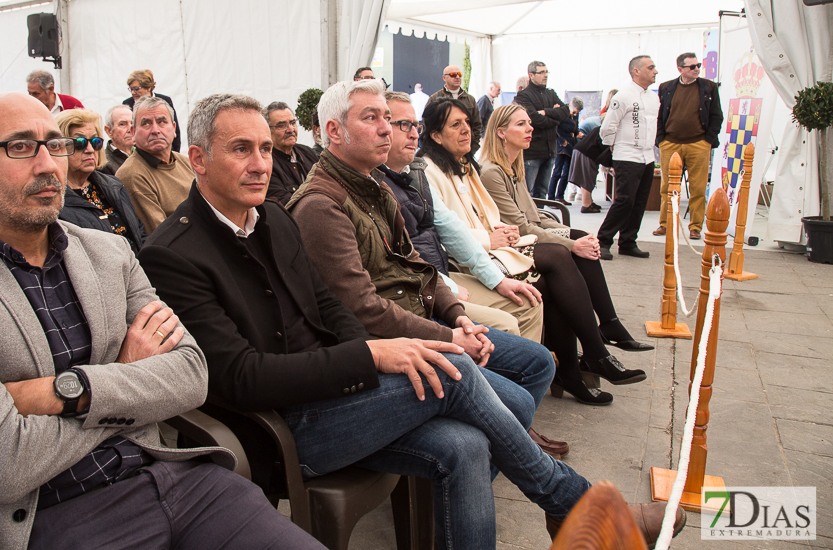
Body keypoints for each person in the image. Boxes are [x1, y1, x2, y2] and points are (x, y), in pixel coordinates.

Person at [138, 91, 684, 550]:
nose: (260, 163)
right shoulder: (175, 252)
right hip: (277, 428)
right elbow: (238, 378)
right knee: (459, 370)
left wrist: (375, 363)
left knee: (466, 444)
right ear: (199, 159)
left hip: (335, 390)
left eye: (263, 148)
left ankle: (571, 508)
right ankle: (576, 505)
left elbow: (332, 307)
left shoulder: (272, 218)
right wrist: (376, 355)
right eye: (240, 149)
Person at [0, 91, 319, 550]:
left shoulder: (107, 252)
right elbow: (2, 465)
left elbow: (192, 376)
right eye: (19, 147)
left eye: (55, 145)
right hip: (56, 514)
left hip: (174, 480)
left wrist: (67, 391)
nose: (47, 165)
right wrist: (127, 376)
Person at [287, 80, 557, 456]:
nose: (389, 128)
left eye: (390, 118)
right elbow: (361, 308)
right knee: (506, 412)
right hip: (392, 340)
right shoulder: (321, 205)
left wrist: (457, 316)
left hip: (425, 314)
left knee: (539, 361)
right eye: (373, 118)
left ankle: (504, 444)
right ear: (334, 131)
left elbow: (417, 263)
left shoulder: (376, 184)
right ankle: (528, 463)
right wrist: (448, 336)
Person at [421, 99, 652, 406]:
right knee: (559, 260)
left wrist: (506, 231)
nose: (466, 130)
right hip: (474, 257)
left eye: (467, 123)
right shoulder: (439, 169)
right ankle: (593, 351)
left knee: (561, 266)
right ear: (435, 135)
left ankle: (576, 364)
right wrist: (497, 236)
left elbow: (516, 217)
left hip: (495, 247)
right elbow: (448, 231)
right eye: (455, 125)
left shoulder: (467, 165)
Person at [381, 91, 544, 345]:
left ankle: (546, 371)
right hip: (424, 283)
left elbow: (451, 226)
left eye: (416, 125)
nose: (414, 133)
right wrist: (447, 287)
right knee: (512, 319)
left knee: (530, 300)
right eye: (404, 125)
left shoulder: (416, 170)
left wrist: (498, 280)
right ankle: (522, 376)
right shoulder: (396, 176)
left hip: (443, 271)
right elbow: (400, 257)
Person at [652, 52, 723, 240]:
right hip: (670, 143)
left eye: (698, 65)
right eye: (692, 66)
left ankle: (696, 227)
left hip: (698, 143)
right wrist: (661, 139)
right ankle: (665, 224)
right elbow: (661, 114)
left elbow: (717, 115)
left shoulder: (709, 87)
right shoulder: (666, 87)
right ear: (680, 69)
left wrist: (708, 140)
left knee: (698, 187)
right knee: (667, 187)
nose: (697, 69)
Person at [56, 108, 146, 253]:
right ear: (58, 147)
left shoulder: (113, 185)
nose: (90, 149)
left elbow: (139, 232)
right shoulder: (55, 199)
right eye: (80, 143)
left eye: (96, 142)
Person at [598, 55, 660, 260]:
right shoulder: (622, 96)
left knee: (640, 201)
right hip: (627, 156)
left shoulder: (653, 97)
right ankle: (603, 241)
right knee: (625, 200)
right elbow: (608, 127)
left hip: (647, 156)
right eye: (650, 68)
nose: (655, 71)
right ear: (636, 71)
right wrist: (613, 151)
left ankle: (627, 241)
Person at [115, 96, 195, 231]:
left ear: (174, 128)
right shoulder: (132, 175)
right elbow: (162, 234)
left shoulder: (186, 162)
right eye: (146, 123)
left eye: (162, 121)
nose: (155, 130)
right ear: (133, 132)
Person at [514, 60, 570, 200]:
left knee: (541, 193)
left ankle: (539, 221)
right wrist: (554, 115)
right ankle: (526, 221)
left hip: (550, 150)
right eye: (541, 72)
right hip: (532, 152)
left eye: (546, 72)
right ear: (531, 75)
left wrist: (545, 112)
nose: (545, 75)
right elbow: (533, 119)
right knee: (526, 193)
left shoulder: (551, 93)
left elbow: (565, 113)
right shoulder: (524, 95)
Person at [263, 101, 319, 205]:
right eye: (281, 125)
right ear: (268, 130)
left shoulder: (308, 153)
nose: (290, 129)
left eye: (293, 123)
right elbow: (287, 205)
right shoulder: (266, 163)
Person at [123, 69, 181, 152]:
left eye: (136, 89)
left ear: (149, 87)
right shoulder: (127, 103)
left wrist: (175, 153)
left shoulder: (165, 100)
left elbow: (175, 130)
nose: (133, 92)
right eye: (131, 89)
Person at [547, 96, 583, 205]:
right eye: (575, 111)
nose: (576, 114)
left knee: (566, 172)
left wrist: (578, 133)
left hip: (571, 145)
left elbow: (574, 127)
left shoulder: (574, 116)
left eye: (578, 112)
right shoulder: (562, 112)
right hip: (561, 145)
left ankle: (560, 196)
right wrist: (561, 140)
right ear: (571, 106)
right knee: (557, 172)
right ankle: (551, 198)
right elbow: (555, 127)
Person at [429, 64, 481, 139]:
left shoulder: (470, 99)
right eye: (453, 75)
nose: (457, 77)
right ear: (444, 78)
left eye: (459, 74)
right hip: (442, 146)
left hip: (465, 145)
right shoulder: (435, 99)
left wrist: (472, 148)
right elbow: (428, 124)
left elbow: (477, 125)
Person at [101, 104, 134, 176]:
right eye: (122, 124)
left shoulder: (144, 154)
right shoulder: (103, 163)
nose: (130, 129)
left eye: (132, 123)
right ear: (109, 131)